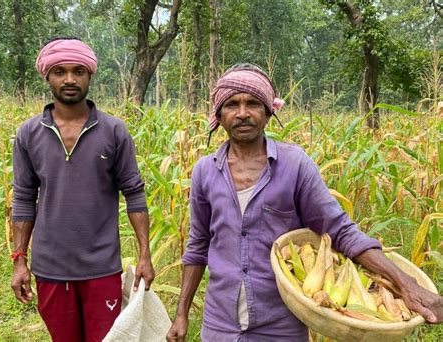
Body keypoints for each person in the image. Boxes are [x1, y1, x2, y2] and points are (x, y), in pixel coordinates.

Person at [166, 64, 443, 341]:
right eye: (231, 104)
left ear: (268, 112)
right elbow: (198, 246)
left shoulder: (295, 165)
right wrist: (181, 314)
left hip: (280, 326)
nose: (242, 113)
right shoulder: (205, 171)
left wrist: (405, 283)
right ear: (219, 114)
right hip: (220, 325)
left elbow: (340, 231)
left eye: (252, 103)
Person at [10, 37, 155, 342]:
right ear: (47, 76)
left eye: (78, 71)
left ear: (90, 75)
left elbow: (134, 192)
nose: (70, 79)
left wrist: (144, 255)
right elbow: (24, 197)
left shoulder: (114, 131)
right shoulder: (29, 133)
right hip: (50, 268)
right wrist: (20, 260)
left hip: (101, 267)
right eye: (60, 71)